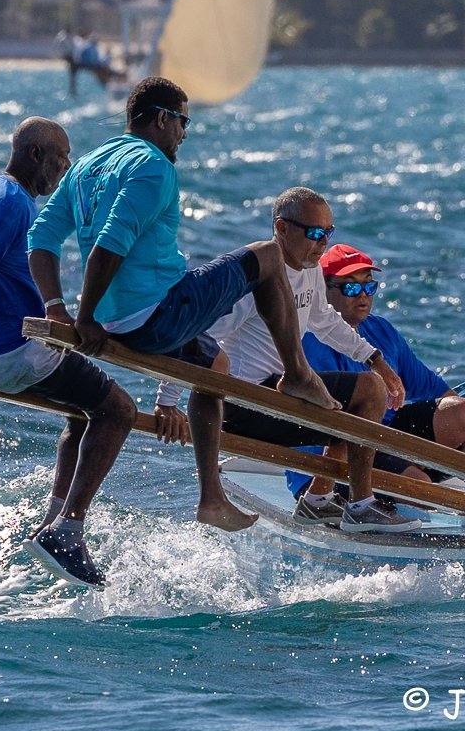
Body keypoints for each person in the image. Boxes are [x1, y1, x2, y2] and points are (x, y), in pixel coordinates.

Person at [27, 76, 339, 582]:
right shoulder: (153, 166)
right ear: (161, 118)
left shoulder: (87, 164)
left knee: (214, 365)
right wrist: (81, 319)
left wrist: (57, 306)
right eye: (183, 122)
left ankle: (206, 499)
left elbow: (41, 236)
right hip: (155, 315)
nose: (185, 134)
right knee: (266, 256)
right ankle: (299, 374)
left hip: (118, 317)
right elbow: (111, 243)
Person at [0, 117, 137, 587]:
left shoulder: (4, 194)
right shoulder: (6, 205)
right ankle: (69, 531)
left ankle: (55, 523)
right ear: (35, 155)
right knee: (119, 410)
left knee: (83, 412)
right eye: (61, 157)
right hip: (7, 353)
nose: (66, 166)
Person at [153, 192, 420, 533]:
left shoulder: (309, 269)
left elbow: (325, 321)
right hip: (245, 405)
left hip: (279, 394)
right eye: (315, 233)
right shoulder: (253, 280)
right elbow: (196, 338)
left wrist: (375, 359)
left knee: (358, 399)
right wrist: (167, 401)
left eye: (329, 233)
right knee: (367, 392)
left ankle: (318, 500)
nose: (323, 243)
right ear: (282, 228)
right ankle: (361, 506)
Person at [284, 243, 465, 507]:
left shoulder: (381, 330)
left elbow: (441, 393)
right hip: (330, 458)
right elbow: (335, 427)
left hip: (380, 438)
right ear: (323, 289)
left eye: (369, 286)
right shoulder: (310, 341)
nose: (363, 295)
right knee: (417, 484)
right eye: (351, 288)